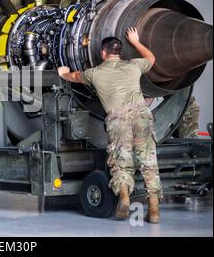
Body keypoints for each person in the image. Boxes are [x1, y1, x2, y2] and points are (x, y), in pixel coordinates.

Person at [58, 28, 163, 223]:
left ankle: (124, 197)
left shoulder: (94, 73)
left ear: (103, 53)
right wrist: (136, 41)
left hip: (118, 118)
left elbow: (75, 76)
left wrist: (64, 74)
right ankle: (154, 210)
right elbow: (151, 58)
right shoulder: (133, 66)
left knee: (120, 161)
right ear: (119, 53)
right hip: (141, 115)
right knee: (148, 161)